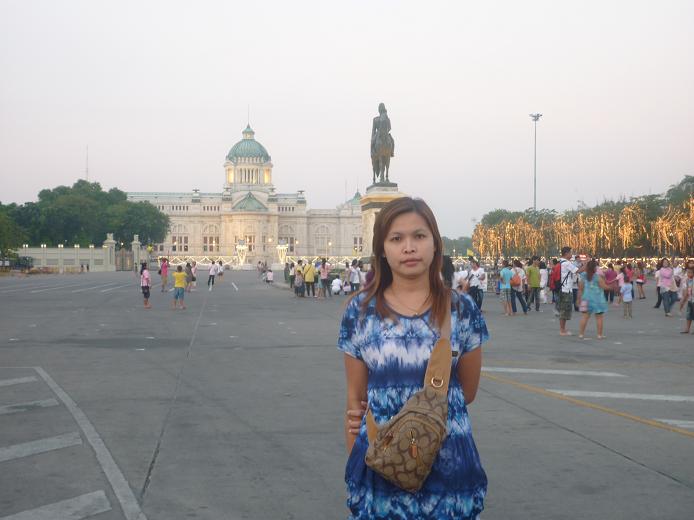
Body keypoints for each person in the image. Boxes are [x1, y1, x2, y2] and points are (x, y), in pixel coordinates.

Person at [338, 197, 487, 519]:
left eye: (419, 236)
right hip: (382, 469)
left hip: (449, 467)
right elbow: (355, 401)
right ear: (382, 249)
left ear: (435, 244)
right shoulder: (360, 312)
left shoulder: (461, 309)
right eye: (396, 238)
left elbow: (467, 392)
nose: (409, 247)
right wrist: (357, 466)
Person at [577, 259, 611, 339]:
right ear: (595, 268)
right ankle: (599, 335)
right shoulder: (597, 277)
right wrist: (611, 287)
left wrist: (578, 299)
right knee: (599, 317)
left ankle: (581, 334)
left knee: (585, 317)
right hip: (598, 300)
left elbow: (580, 288)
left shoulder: (583, 276)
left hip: (586, 299)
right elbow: (604, 286)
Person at [558, 247, 584, 336]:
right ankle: (562, 330)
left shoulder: (561, 262)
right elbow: (578, 271)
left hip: (563, 288)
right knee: (564, 310)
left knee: (564, 310)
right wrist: (587, 264)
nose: (571, 255)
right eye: (570, 253)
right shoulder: (566, 263)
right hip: (566, 289)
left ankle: (563, 329)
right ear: (566, 253)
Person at [680, 266, 694, 334]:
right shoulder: (688, 280)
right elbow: (687, 291)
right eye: (687, 272)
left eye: (690, 272)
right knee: (689, 315)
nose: (688, 274)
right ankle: (687, 329)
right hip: (690, 300)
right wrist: (683, 300)